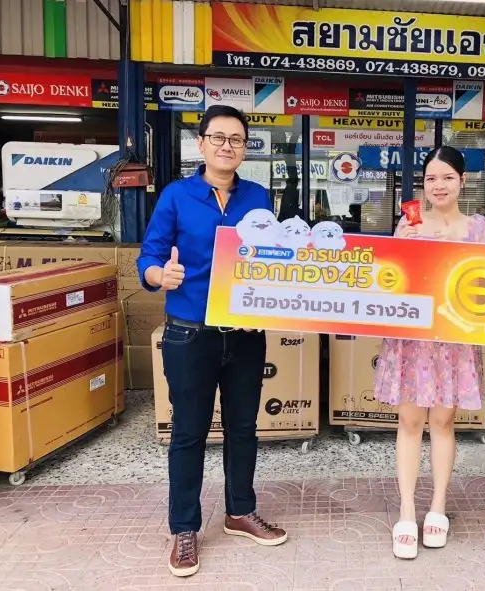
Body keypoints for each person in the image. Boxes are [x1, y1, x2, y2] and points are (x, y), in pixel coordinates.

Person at [137, 105, 287, 578]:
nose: (227, 146)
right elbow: (148, 256)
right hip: (189, 335)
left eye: (236, 139)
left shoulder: (258, 197)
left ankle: (240, 511)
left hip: (245, 336)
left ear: (245, 148)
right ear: (200, 144)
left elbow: (273, 259)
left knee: (243, 428)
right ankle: (184, 528)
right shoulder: (176, 196)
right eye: (218, 137)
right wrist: (160, 275)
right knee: (189, 432)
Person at [373, 146, 485, 560]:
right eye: (430, 179)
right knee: (409, 422)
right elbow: (390, 283)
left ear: (462, 181)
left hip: (455, 340)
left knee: (443, 422)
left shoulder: (479, 228)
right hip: (412, 339)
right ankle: (407, 511)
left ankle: (438, 506)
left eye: (447, 177)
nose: (438, 185)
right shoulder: (407, 225)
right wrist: (400, 248)